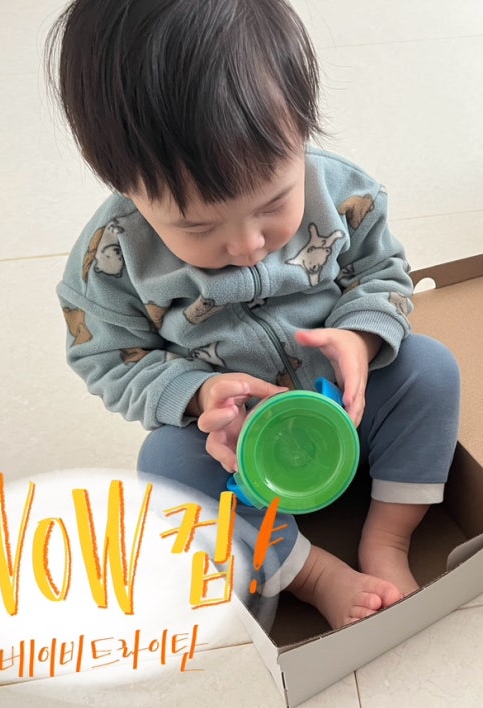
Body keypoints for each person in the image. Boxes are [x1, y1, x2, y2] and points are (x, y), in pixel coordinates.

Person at [47, 0, 460, 629]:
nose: (246, 245)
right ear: (126, 185)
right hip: (237, 455)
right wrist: (197, 394)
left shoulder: (341, 194)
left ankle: (388, 538)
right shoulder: (112, 260)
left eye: (273, 204)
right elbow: (106, 359)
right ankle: (312, 573)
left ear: (301, 129)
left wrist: (361, 338)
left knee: (431, 368)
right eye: (198, 227)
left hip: (350, 413)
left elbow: (384, 273)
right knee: (166, 466)